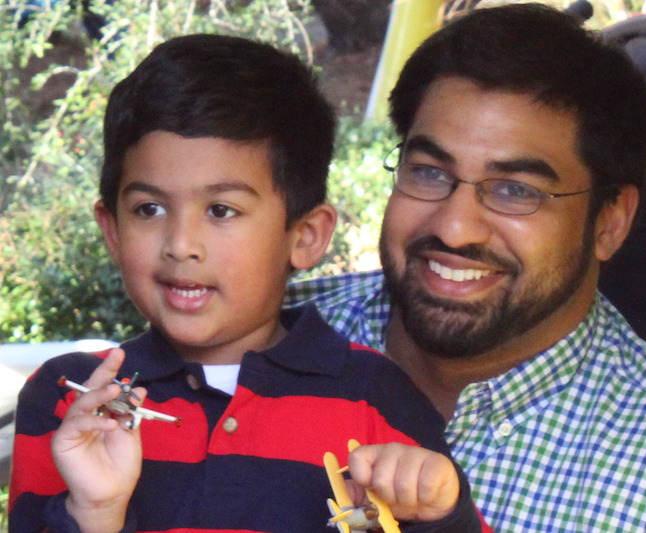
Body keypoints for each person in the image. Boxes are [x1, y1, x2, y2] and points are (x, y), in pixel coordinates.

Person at [9, 34, 485, 533]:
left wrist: (441, 512)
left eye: (222, 210)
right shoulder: (72, 400)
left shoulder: (379, 399)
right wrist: (95, 513)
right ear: (112, 229)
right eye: (149, 209)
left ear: (304, 236)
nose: (181, 244)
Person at [285, 3, 646, 531]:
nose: (454, 228)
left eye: (516, 190)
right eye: (428, 172)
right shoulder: (270, 336)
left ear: (610, 222)